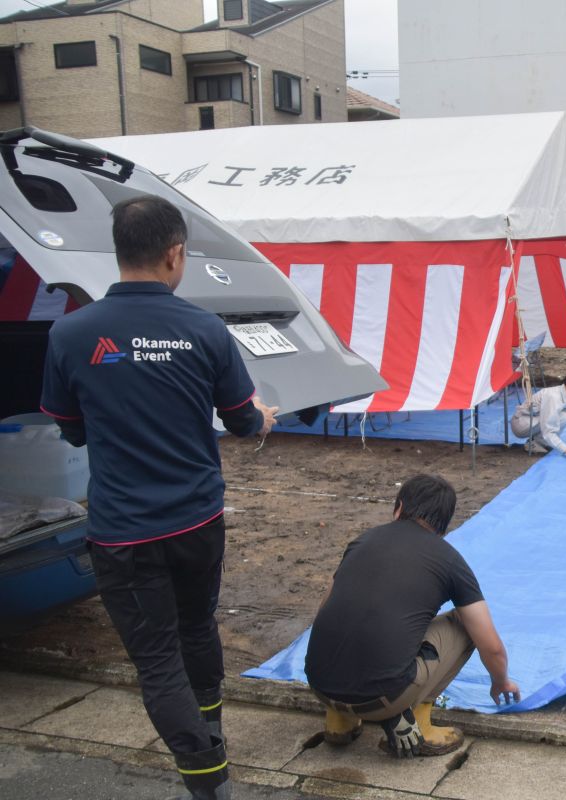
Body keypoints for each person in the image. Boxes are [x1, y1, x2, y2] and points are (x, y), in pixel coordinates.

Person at [39, 195, 278, 800]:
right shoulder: (204, 329)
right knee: (196, 627)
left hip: (124, 531)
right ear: (175, 254)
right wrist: (263, 418)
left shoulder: (71, 332)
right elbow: (244, 421)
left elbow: (69, 425)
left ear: (118, 254)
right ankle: (211, 749)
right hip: (197, 519)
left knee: (157, 657)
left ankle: (207, 776)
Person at [305, 474, 521, 758]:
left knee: (383, 621)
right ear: (444, 524)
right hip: (383, 697)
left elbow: (325, 608)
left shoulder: (363, 540)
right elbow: (490, 645)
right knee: (463, 622)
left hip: (320, 684)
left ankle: (340, 720)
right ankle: (418, 721)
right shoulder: (448, 559)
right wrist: (501, 681)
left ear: (399, 507)